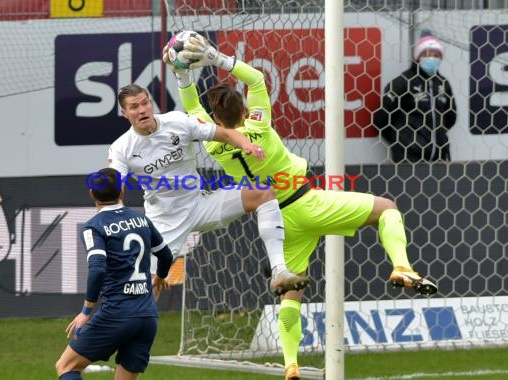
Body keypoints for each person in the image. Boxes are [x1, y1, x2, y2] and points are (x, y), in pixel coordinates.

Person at [165, 34, 438, 380]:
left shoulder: (215, 143)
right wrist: (216, 58)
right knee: (386, 208)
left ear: (216, 121)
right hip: (307, 202)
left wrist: (181, 73)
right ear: (246, 111)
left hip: (279, 219)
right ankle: (402, 266)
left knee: (292, 291)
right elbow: (256, 79)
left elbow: (192, 109)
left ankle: (291, 364)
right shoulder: (259, 127)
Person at [108, 84, 309, 297]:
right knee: (148, 290)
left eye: (145, 103)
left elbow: (224, 134)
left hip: (200, 204)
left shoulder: (177, 122)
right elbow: (115, 189)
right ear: (125, 113)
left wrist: (246, 145)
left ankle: (279, 270)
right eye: (134, 107)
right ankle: (136, 326)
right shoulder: (122, 148)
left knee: (264, 193)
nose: (142, 110)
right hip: (165, 220)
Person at [55, 167, 173, 380]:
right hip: (147, 316)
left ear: (92, 194)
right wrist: (160, 277)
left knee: (66, 367)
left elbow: (98, 267)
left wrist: (86, 311)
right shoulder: (142, 219)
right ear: (122, 192)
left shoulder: (94, 226)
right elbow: (165, 255)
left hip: (117, 313)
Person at [373, 29, 457, 163]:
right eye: (427, 54)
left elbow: (451, 117)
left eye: (436, 55)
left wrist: (439, 138)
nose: (432, 58)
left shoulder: (443, 84)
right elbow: (381, 119)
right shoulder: (402, 82)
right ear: (418, 56)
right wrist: (401, 142)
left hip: (439, 158)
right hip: (409, 158)